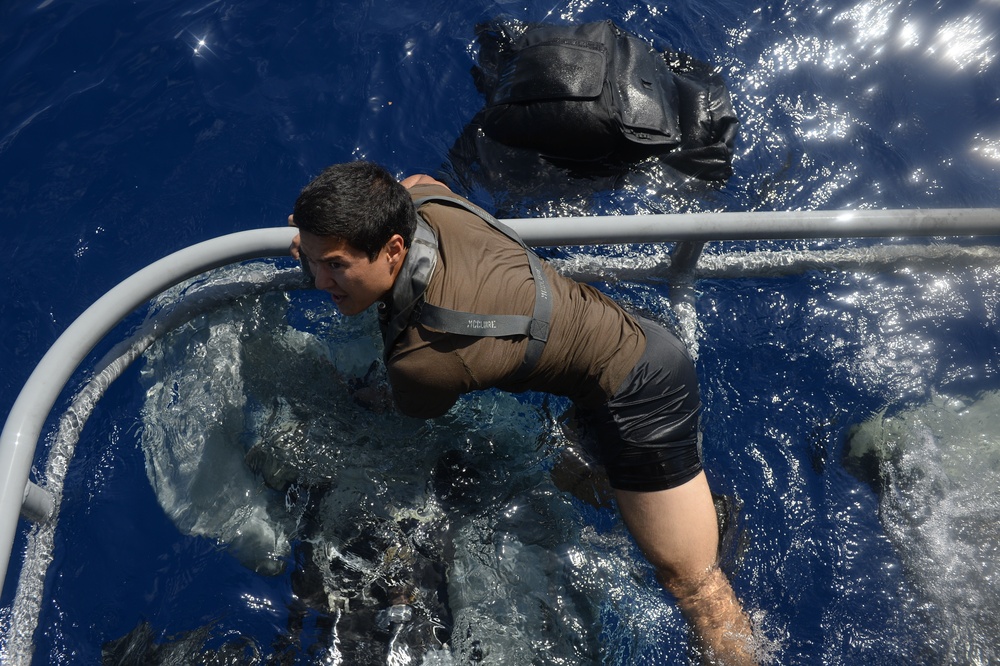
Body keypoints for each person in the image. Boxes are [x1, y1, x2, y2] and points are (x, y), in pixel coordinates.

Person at [288, 161, 756, 664]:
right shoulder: (433, 208)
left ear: (394, 249)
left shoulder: (423, 360)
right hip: (630, 340)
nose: (319, 280)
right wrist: (325, 243)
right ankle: (688, 509)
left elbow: (404, 412)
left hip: (641, 396)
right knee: (563, 473)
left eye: (335, 264)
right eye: (313, 262)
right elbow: (420, 181)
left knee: (693, 584)